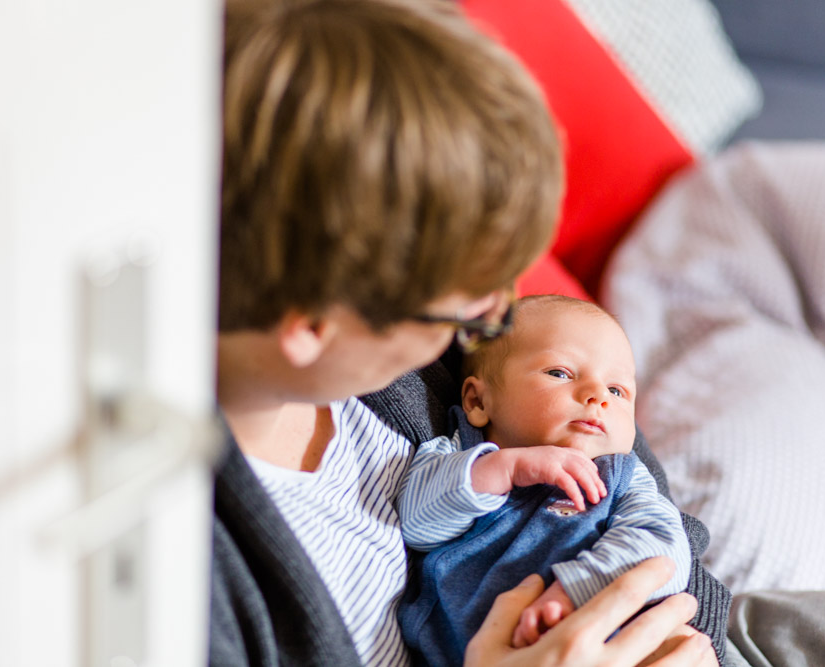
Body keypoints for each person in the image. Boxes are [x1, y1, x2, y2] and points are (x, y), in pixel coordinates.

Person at [211, 0, 720, 665]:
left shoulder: (398, 367)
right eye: (471, 313)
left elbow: (685, 555)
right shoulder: (194, 586)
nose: (497, 319)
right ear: (310, 326)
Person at [396, 295, 693, 664]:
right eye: (560, 373)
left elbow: (666, 551)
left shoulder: (624, 476)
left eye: (617, 391)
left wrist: (576, 590)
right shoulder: (461, 455)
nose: (597, 396)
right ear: (478, 401)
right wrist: (504, 469)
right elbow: (415, 523)